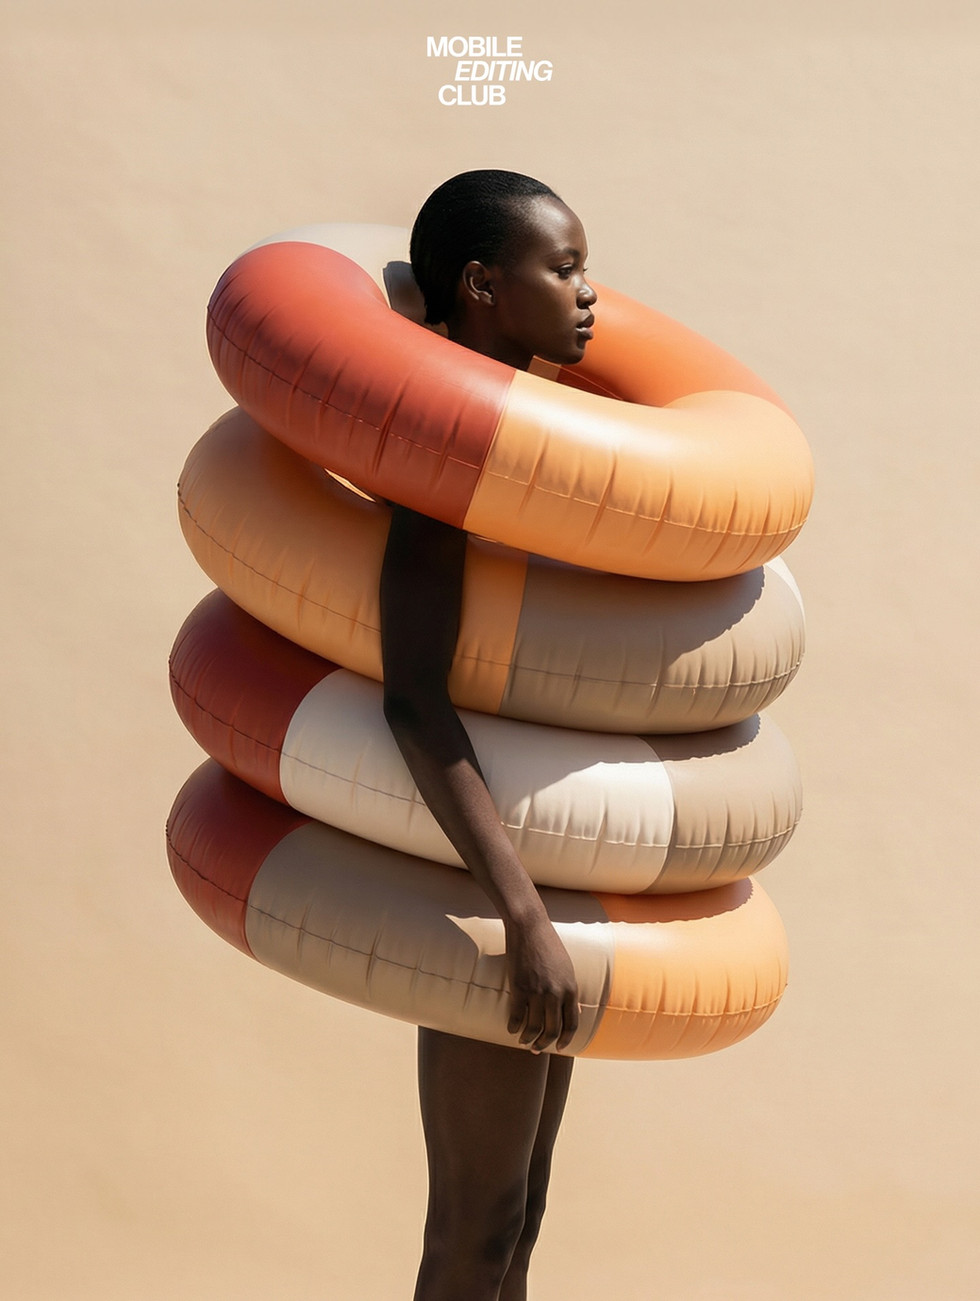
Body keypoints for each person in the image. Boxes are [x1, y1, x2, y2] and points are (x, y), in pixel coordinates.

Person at [379, 170, 598, 1301]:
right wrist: (520, 911)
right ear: (478, 285)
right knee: (474, 1224)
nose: (585, 293)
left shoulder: (544, 448)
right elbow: (411, 693)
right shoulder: (445, 457)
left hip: (535, 877)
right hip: (492, 891)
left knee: (519, 1221)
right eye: (559, 269)